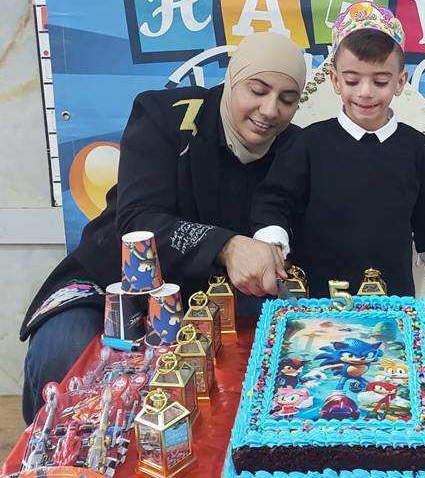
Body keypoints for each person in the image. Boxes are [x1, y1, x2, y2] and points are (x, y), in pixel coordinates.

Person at [20, 32, 307, 423]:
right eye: (257, 90)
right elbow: (137, 219)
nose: (270, 110)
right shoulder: (165, 116)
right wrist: (228, 247)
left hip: (220, 302)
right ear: (232, 79)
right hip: (110, 284)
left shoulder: (296, 147)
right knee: (63, 351)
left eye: (287, 99)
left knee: (275, 364)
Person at [252, 1, 425, 298]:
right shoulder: (307, 145)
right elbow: (274, 200)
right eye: (352, 80)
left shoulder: (420, 151)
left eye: (380, 81)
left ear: (400, 82)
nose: (365, 92)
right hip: (317, 299)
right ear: (335, 80)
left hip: (393, 298)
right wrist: (273, 243)